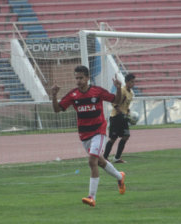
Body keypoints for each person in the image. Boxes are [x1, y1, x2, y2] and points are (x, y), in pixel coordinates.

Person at [52, 65, 126, 207]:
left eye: (81, 78)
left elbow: (116, 101)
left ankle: (91, 197)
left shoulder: (97, 92)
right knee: (100, 162)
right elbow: (57, 109)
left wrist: (118, 88)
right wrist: (54, 95)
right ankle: (119, 177)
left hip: (99, 131)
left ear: (87, 78)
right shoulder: (73, 95)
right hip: (84, 135)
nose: (78, 81)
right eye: (76, 78)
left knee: (92, 161)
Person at [103, 73, 136, 163]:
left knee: (126, 136)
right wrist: (120, 112)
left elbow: (125, 105)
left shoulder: (131, 93)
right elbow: (114, 103)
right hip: (116, 117)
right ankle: (105, 158)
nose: (133, 84)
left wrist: (129, 113)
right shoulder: (121, 90)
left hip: (123, 117)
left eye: (134, 82)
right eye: (131, 82)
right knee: (113, 138)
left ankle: (117, 158)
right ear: (127, 82)